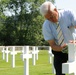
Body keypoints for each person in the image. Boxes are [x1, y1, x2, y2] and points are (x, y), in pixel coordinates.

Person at [40, 1, 76, 75]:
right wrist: (60, 48)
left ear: (56, 10)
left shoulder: (69, 14)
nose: (51, 20)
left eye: (52, 16)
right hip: (60, 53)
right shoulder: (46, 26)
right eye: (48, 19)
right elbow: (52, 45)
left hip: (75, 48)